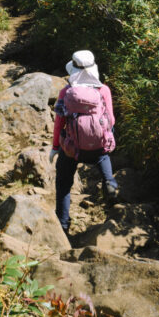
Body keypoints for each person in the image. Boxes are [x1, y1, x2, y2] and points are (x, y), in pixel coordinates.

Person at [51, 49, 119, 234]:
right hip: (98, 148)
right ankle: (110, 183)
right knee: (103, 155)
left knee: (63, 183)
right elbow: (111, 120)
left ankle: (63, 225)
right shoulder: (103, 90)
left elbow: (59, 123)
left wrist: (55, 147)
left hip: (72, 149)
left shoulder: (66, 92)